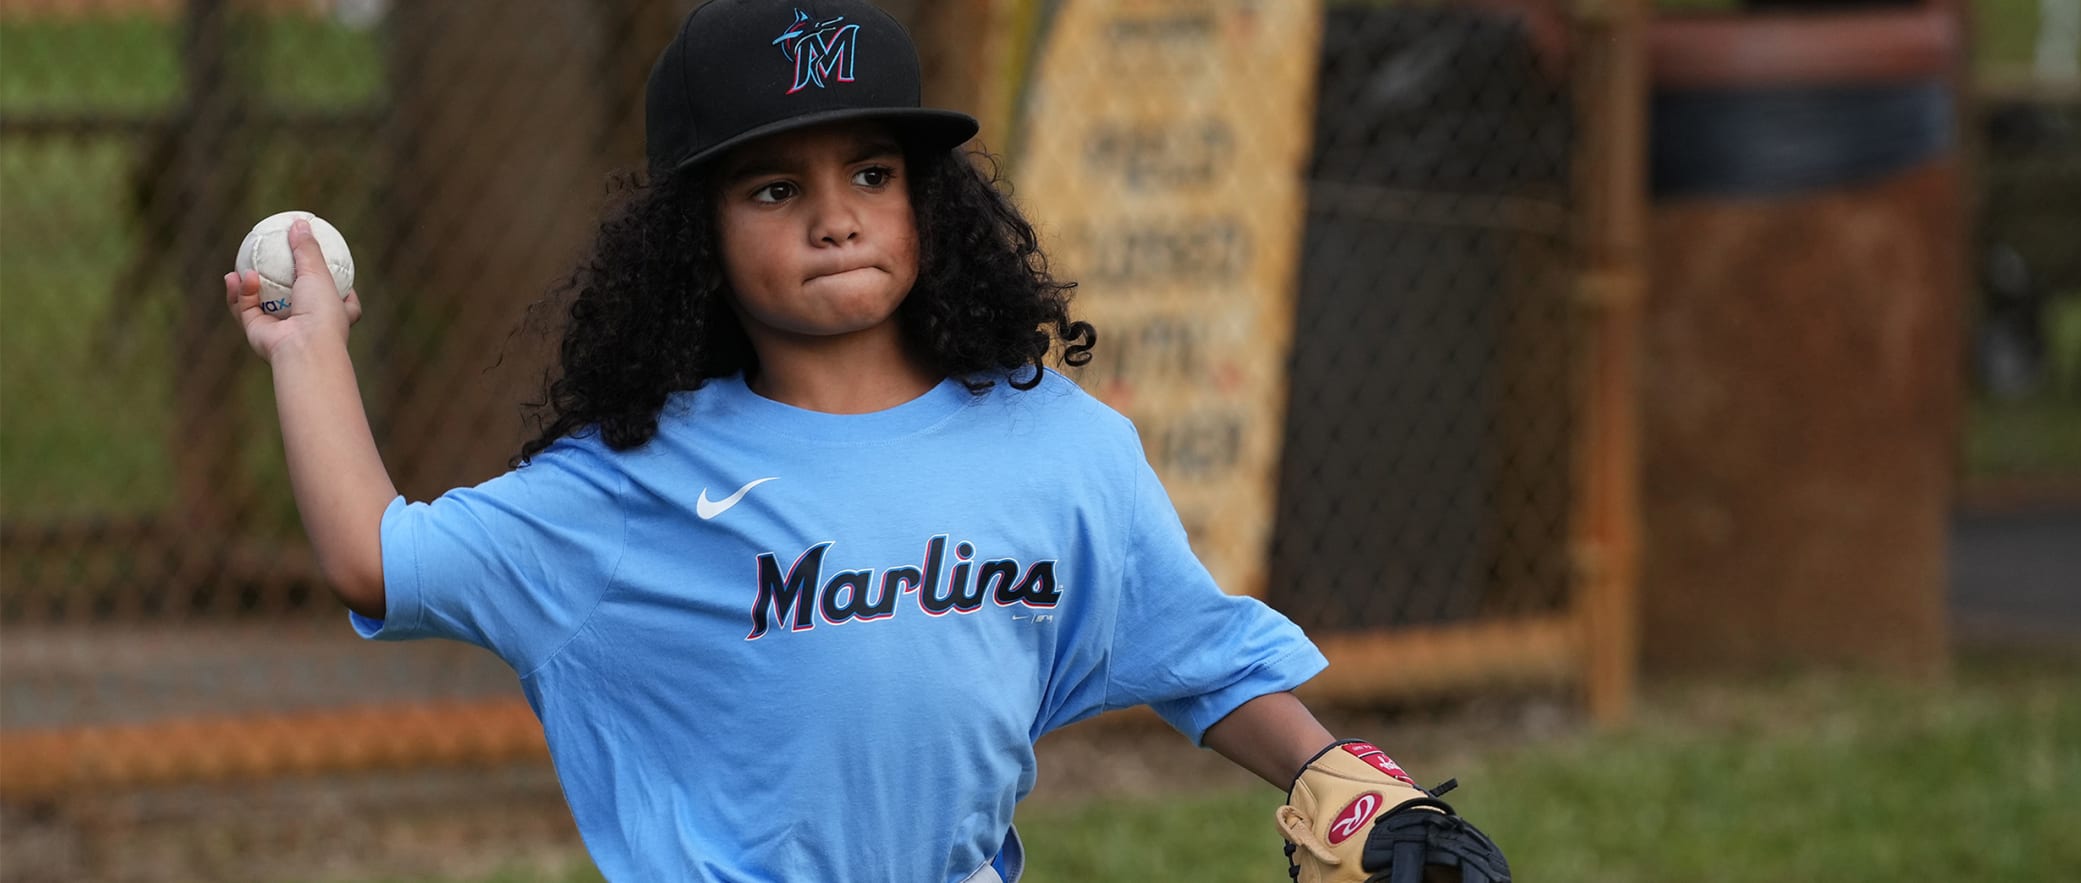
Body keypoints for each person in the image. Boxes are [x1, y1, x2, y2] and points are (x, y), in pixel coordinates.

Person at [224, 2, 1505, 881]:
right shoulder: (636, 489)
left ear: (930, 197)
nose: (838, 217)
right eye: (777, 188)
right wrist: (309, 345)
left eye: (874, 173)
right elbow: (374, 556)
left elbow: (1202, 657)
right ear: (696, 241)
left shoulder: (1057, 447)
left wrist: (1356, 782)